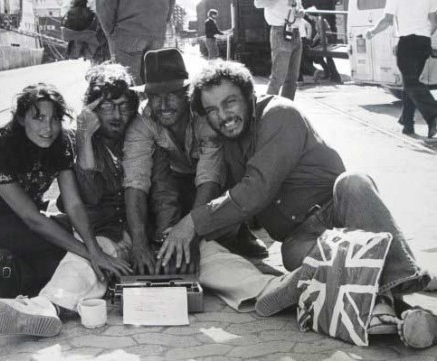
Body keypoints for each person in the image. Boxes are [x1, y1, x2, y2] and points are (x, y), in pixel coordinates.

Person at [157, 60, 437, 347]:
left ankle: (396, 285)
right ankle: (399, 310)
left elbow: (255, 191)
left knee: (354, 182)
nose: (223, 116)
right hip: (299, 238)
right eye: (213, 110)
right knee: (300, 258)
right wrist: (183, 241)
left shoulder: (280, 114)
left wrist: (191, 223)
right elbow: (229, 202)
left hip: (341, 211)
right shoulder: (225, 142)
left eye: (229, 103)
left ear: (249, 97)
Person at [0, 73, 137, 337]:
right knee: (70, 242)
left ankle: (38, 308)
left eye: (55, 118)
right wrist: (92, 252)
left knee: (71, 249)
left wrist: (92, 248)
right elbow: (32, 219)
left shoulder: (60, 142)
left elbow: (75, 204)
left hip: (23, 227)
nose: (48, 127)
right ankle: (42, 303)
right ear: (21, 118)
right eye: (39, 117)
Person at [124, 48, 268, 277]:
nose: (163, 104)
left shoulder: (204, 115)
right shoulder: (143, 120)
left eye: (171, 94)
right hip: (177, 178)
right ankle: (164, 238)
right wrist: (138, 243)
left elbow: (209, 175)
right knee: (158, 185)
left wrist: (193, 232)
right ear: (147, 97)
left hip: (219, 178)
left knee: (229, 170)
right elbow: (135, 180)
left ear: (186, 92)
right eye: (155, 96)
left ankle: (238, 231)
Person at [366, 0, 437, 138]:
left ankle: (434, 114)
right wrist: (424, 34)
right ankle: (407, 124)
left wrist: (372, 31)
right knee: (410, 82)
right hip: (423, 43)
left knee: (411, 83)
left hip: (407, 43)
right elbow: (434, 21)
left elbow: (387, 20)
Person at [95, 0, 174, 84]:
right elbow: (171, 4)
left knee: (129, 82)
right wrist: (160, 24)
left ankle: (139, 96)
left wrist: (110, 32)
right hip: (157, 32)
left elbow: (105, 6)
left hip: (127, 32)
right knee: (152, 82)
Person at [255, 0, 305, 100]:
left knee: (292, 79)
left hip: (295, 31)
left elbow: (300, 7)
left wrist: (302, 12)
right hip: (280, 31)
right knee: (278, 77)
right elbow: (258, 3)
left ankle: (286, 110)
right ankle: (268, 111)